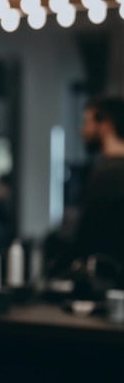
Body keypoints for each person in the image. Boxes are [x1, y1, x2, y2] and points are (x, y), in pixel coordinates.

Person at [69, 95, 124, 284]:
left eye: (87, 122)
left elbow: (86, 240)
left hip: (106, 283)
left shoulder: (107, 175)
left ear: (106, 125)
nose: (82, 129)